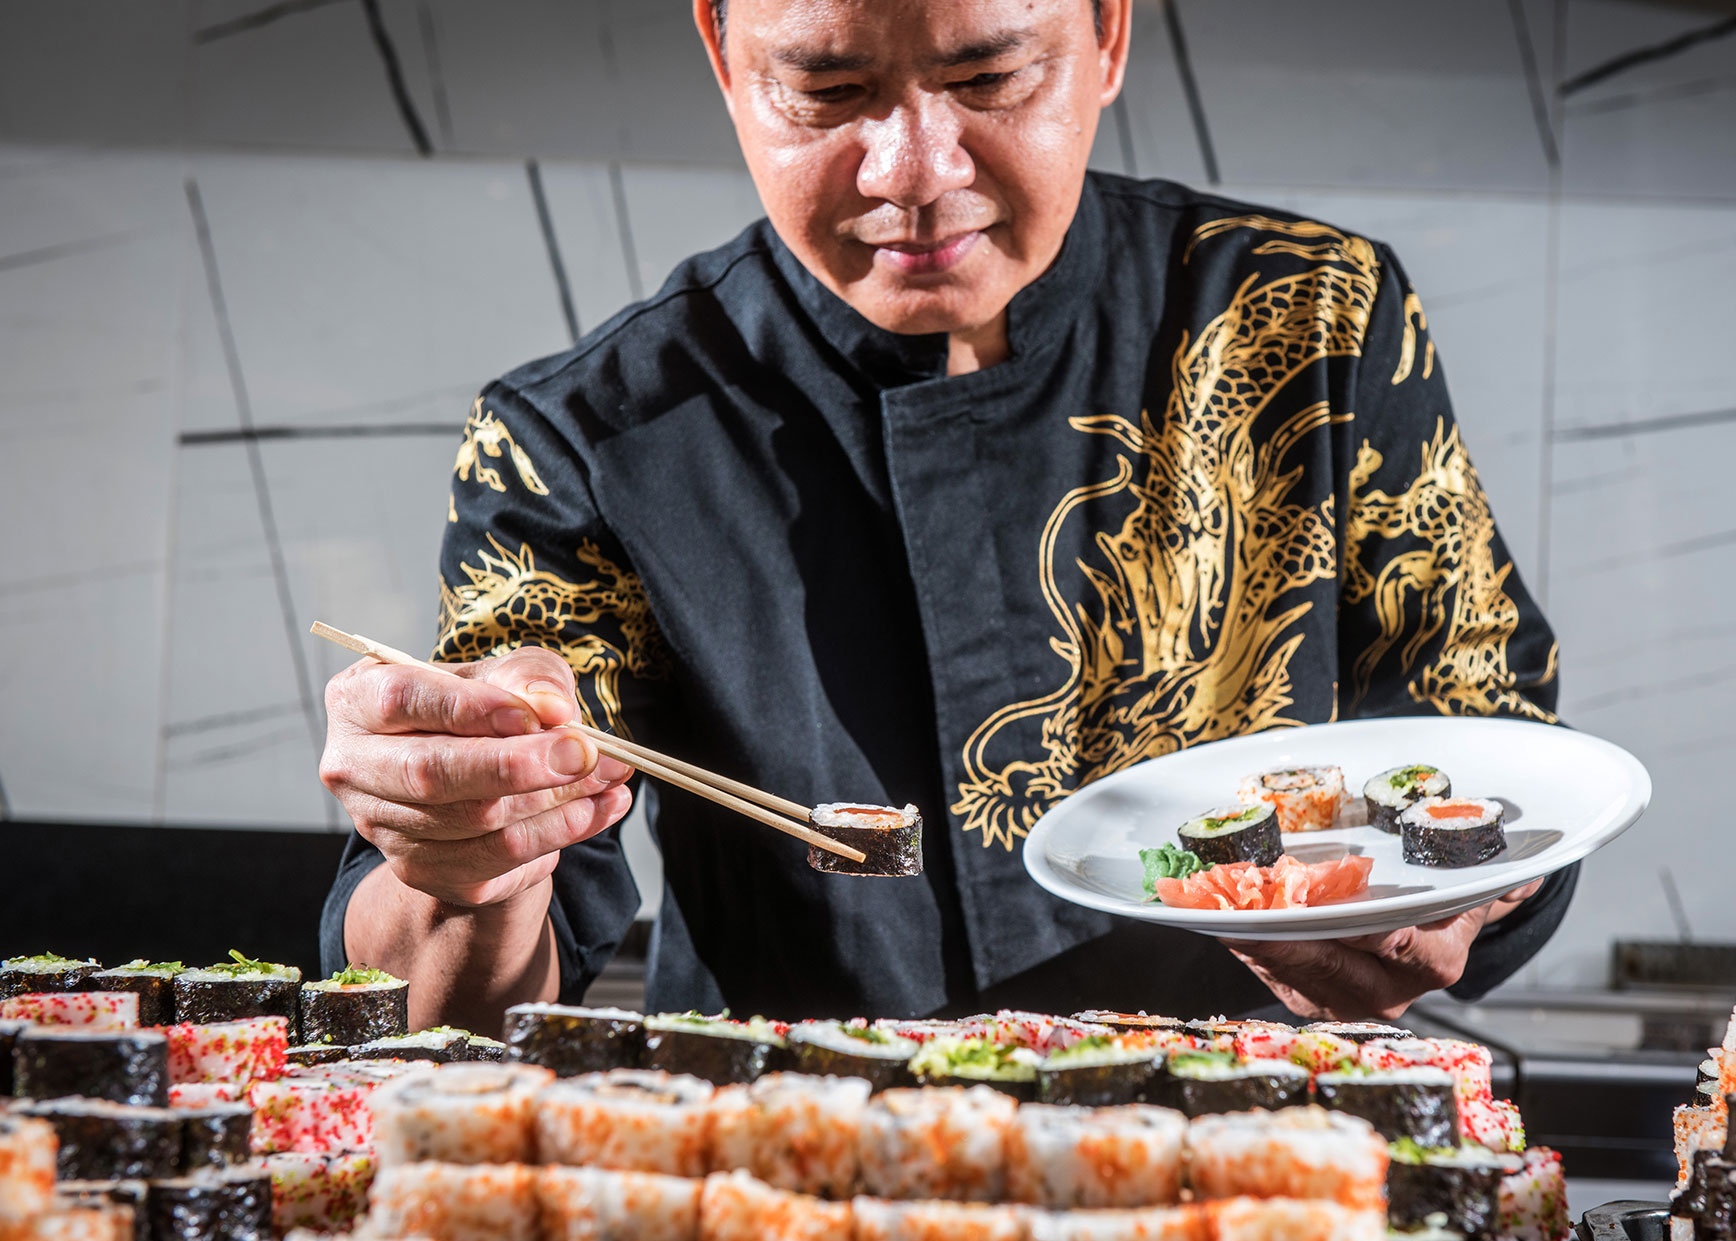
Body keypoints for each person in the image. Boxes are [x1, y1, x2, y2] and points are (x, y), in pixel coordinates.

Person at [317, 0, 1571, 1033]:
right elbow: (446, 1013)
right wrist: (464, 861)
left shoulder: (1311, 317)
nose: (913, 172)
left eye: (992, 75)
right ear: (721, 52)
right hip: (802, 1202)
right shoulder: (585, 436)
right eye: (825, 88)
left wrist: (1458, 894)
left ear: (1109, 35)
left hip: (1248, 1195)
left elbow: (1487, 742)